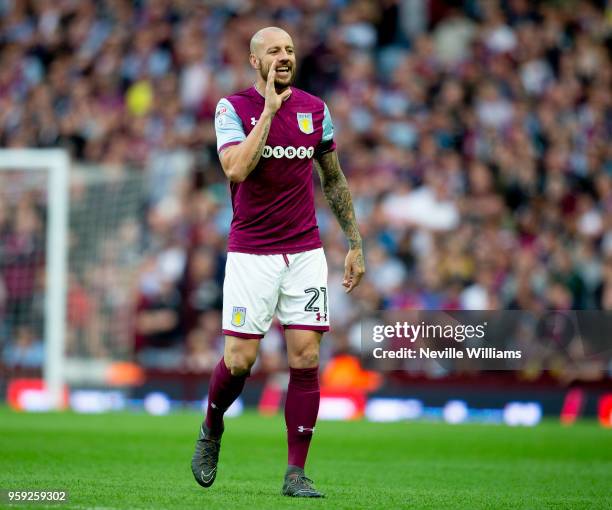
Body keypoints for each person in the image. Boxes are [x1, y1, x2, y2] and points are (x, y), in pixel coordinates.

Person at [191, 26, 365, 498]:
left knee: (306, 356)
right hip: (251, 253)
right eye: (274, 51)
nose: (284, 57)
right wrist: (268, 112)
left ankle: (296, 473)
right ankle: (211, 428)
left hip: (305, 252)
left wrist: (354, 241)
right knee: (241, 360)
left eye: (289, 50)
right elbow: (235, 169)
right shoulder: (234, 109)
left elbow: (333, 177)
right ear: (255, 61)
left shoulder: (316, 110)